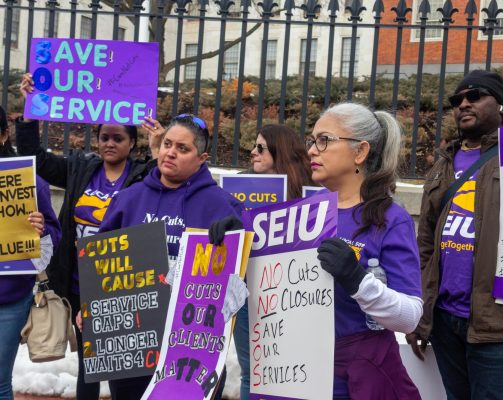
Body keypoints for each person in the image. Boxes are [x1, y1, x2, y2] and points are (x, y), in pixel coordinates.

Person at [15, 73, 162, 400]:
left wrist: (159, 147)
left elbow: (169, 179)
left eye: (118, 138)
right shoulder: (80, 168)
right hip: (82, 283)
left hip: (124, 284)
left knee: (127, 369)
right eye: (104, 137)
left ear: (132, 143)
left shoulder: (143, 175)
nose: (109, 143)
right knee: (89, 365)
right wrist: (30, 112)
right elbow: (37, 161)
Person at [405, 70, 503, 400]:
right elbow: (424, 243)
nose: (463, 104)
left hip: (500, 326)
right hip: (445, 320)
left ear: (502, 106)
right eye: (457, 100)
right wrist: (423, 315)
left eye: (475, 96)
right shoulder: (444, 163)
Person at [97, 114, 244, 399]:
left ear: (201, 158)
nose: (170, 153)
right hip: (132, 341)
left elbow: (243, 273)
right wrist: (90, 307)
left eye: (182, 148)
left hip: (192, 345)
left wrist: (239, 234)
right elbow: (101, 260)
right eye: (167, 144)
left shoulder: (222, 205)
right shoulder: (130, 198)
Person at [305, 103, 423, 399]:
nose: (311, 150)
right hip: (300, 373)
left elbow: (409, 317)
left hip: (360, 378)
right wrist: (238, 242)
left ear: (360, 152)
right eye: (311, 141)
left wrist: (357, 279)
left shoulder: (390, 219)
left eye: (324, 140)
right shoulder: (304, 214)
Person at [234, 124, 315, 400]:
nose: (253, 153)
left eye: (261, 148)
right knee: (252, 372)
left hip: (291, 291)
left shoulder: (309, 191)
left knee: (293, 366)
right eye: (253, 147)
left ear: (279, 151)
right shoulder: (240, 188)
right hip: (248, 290)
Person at [0, 105, 60, 400]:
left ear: (3, 136)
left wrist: (41, 230)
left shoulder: (29, 183)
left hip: (9, 296)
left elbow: (53, 239)